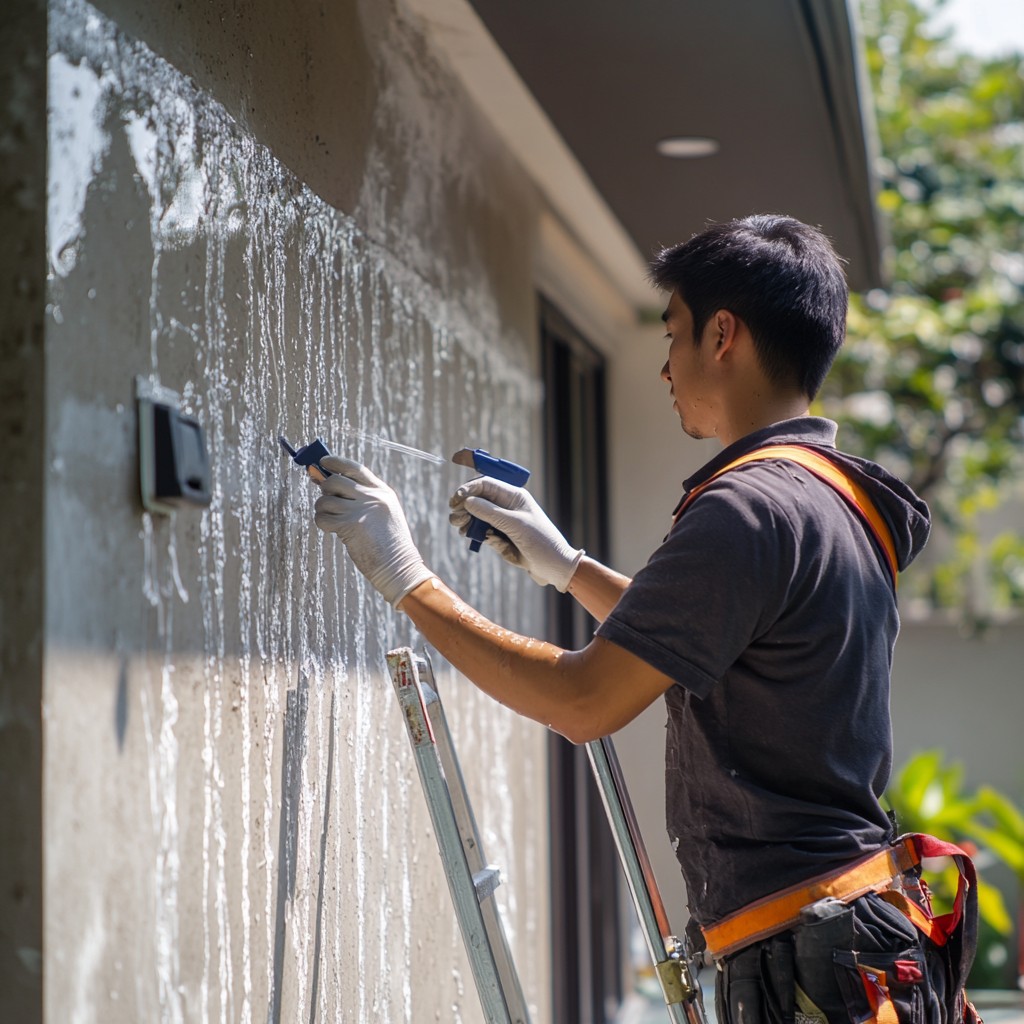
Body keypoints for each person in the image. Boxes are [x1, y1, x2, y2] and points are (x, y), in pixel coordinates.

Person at [311, 215, 976, 1024]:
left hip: (808, 964)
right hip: (845, 940)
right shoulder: (829, 498)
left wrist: (407, 578)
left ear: (722, 334)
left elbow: (584, 701)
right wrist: (568, 568)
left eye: (674, 334)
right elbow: (726, 651)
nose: (664, 366)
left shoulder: (748, 508)